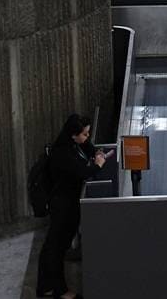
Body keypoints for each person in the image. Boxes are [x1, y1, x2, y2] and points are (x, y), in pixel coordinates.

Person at [36, 115, 107, 298]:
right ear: (73, 135)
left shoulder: (73, 144)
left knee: (55, 245)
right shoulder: (62, 154)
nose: (87, 136)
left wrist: (95, 151)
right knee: (56, 247)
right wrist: (98, 165)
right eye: (84, 133)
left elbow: (86, 146)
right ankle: (59, 290)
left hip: (68, 202)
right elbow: (83, 172)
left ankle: (45, 286)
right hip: (62, 205)